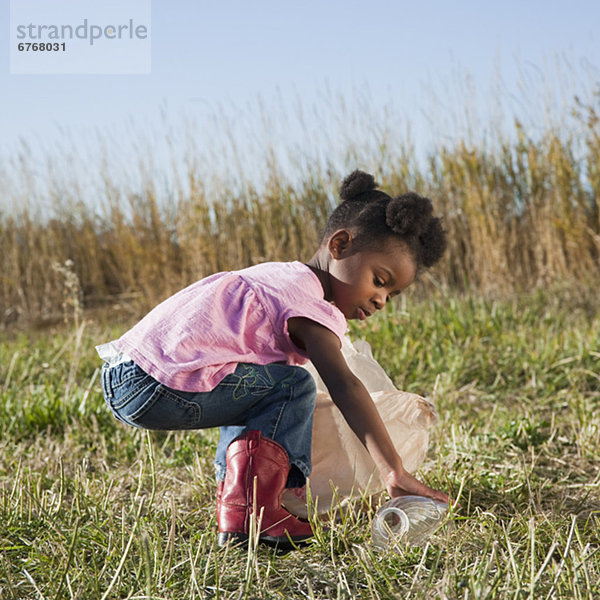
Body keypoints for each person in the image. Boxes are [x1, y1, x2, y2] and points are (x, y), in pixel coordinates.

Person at [97, 169, 451, 549]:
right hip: (154, 383)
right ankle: (262, 510)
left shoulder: (280, 277)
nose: (381, 300)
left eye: (392, 295)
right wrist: (392, 470)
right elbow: (346, 386)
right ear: (340, 245)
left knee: (264, 387)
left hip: (126, 373)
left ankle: (242, 507)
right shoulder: (307, 303)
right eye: (379, 280)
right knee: (291, 385)